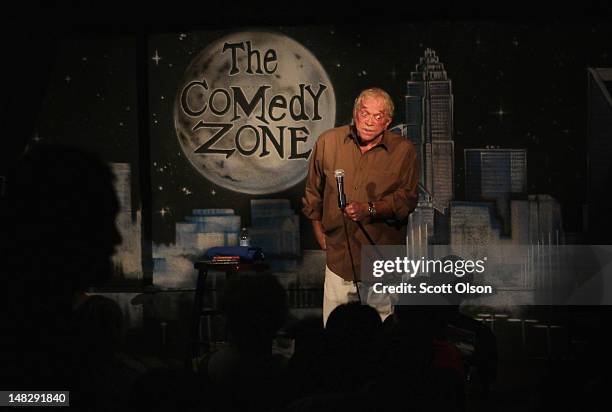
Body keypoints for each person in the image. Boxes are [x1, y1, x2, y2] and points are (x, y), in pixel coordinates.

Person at [302, 87, 419, 326]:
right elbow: (314, 191)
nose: (369, 122)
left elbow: (407, 198)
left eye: (378, 117)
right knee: (335, 331)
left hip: (379, 255)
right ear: (355, 113)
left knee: (381, 332)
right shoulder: (328, 142)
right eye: (365, 114)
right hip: (339, 256)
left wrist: (370, 209)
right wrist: (318, 230)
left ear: (387, 122)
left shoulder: (403, 150)